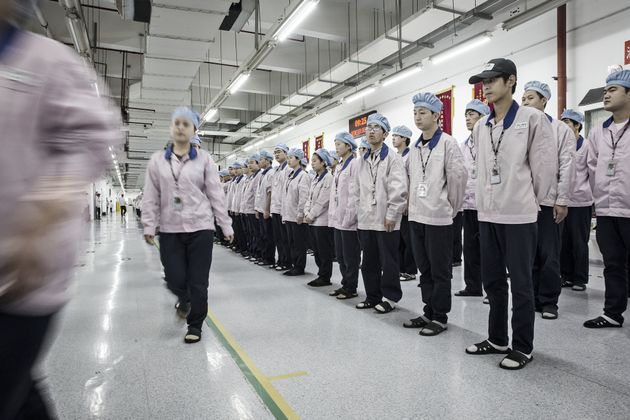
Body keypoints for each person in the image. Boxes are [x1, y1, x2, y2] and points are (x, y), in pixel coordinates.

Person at [0, 2, 121, 416]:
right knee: (18, 390)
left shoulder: (47, 61)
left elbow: (93, 138)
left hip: (23, 267)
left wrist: (41, 219)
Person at [464, 58, 556, 370]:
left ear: (511, 81)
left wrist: (531, 201)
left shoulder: (531, 118)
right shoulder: (482, 125)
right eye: (483, 81)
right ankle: (496, 339)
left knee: (521, 283)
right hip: (488, 214)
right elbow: (479, 169)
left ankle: (522, 346)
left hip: (518, 215)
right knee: (492, 282)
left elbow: (544, 167)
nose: (486, 86)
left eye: (493, 80)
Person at [142, 107, 233, 344]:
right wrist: (149, 225)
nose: (181, 127)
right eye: (177, 123)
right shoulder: (158, 162)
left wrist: (225, 225)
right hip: (170, 229)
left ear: (194, 130)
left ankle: (195, 325)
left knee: (198, 280)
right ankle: (185, 299)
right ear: (171, 128)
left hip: (201, 227)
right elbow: (151, 195)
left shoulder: (205, 160)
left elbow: (216, 194)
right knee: (174, 277)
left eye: (186, 124)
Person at [402, 93, 467, 336]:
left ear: (436, 115)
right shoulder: (416, 147)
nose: (418, 117)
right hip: (417, 217)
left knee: (440, 270)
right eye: (415, 113)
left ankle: (440, 316)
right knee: (424, 269)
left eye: (423, 112)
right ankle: (428, 310)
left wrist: (448, 208)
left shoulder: (448, 144)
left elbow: (458, 181)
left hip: (439, 218)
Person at [522, 80, 576, 320]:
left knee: (549, 255)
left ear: (544, 100)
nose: (525, 102)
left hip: (548, 202)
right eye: (523, 98)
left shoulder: (560, 130)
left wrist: (562, 199)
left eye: (530, 97)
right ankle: (531, 298)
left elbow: (567, 165)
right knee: (527, 255)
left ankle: (548, 301)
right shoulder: (519, 128)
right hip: (523, 203)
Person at [584, 69, 630, 329]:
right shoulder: (599, 132)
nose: (606, 94)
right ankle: (612, 313)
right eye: (605, 90)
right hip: (607, 210)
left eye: (613, 90)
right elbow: (589, 166)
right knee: (612, 264)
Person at [349, 113, 408, 313]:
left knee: (389, 260)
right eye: (368, 127)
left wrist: (392, 213)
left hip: (386, 219)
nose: (371, 131)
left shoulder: (393, 158)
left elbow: (399, 188)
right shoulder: (362, 161)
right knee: (368, 262)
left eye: (376, 128)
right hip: (366, 219)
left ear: (385, 134)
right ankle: (372, 296)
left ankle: (390, 297)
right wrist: (359, 210)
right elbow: (356, 189)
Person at [454, 99, 491, 298]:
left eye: (472, 114)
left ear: (483, 117)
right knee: (469, 248)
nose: (468, 118)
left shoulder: (491, 140)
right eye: (466, 115)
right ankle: (473, 286)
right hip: (468, 204)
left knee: (489, 250)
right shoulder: (463, 145)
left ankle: (490, 289)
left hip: (487, 205)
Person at [560, 109, 593, 292]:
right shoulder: (561, 145)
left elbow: (592, 172)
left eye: (567, 123)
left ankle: (580, 278)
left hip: (581, 201)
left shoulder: (586, 146)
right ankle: (566, 276)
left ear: (577, 125)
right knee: (563, 241)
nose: (564, 126)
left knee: (579, 241)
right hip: (563, 201)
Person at [328, 132, 360, 300]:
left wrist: (349, 216)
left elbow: (354, 193)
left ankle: (351, 287)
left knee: (350, 256)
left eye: (339, 144)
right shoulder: (339, 166)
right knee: (340, 255)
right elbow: (335, 193)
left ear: (348, 146)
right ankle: (344, 284)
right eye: (335, 144)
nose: (337, 147)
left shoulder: (354, 164)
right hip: (338, 219)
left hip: (349, 220)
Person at [391, 125, 417, 282]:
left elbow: (411, 181)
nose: (393, 138)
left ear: (405, 139)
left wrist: (407, 203)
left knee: (408, 240)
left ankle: (410, 270)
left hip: (407, 204)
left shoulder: (410, 156)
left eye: (397, 136)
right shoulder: (395, 157)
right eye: (393, 136)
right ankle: (400, 268)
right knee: (398, 239)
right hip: (395, 205)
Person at [304, 149, 334, 287]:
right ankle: (320, 274)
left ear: (323, 162)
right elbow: (309, 198)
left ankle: (325, 277)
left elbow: (323, 201)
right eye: (311, 161)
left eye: (315, 161)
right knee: (317, 250)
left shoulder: (328, 178)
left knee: (324, 251)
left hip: (322, 221)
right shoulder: (315, 178)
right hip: (312, 220)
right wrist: (306, 212)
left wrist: (311, 215)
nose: (312, 164)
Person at [282, 149, 312, 276]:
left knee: (299, 243)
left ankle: (299, 267)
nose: (288, 160)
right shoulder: (291, 175)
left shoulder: (303, 176)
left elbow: (303, 197)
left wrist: (300, 213)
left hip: (297, 216)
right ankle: (295, 265)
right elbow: (286, 196)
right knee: (292, 242)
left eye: (291, 157)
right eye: (288, 157)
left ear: (299, 159)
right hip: (289, 215)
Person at [271, 144, 292, 271]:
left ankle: (287, 261)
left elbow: (286, 191)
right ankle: (281, 260)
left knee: (285, 238)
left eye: (279, 152)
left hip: (283, 209)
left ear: (286, 153)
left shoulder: (288, 170)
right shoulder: (277, 170)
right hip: (275, 208)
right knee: (278, 237)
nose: (277, 154)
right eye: (275, 153)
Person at [254, 150, 276, 267]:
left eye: (261, 159)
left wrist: (267, 209)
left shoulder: (271, 173)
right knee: (263, 234)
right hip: (261, 208)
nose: (259, 161)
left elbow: (269, 193)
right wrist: (257, 208)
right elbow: (259, 193)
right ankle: (263, 256)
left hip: (266, 210)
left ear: (267, 161)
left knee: (268, 235)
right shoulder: (263, 174)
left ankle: (269, 258)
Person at [242, 154, 262, 263]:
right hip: (248, 209)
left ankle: (258, 253)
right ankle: (253, 251)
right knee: (251, 232)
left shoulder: (259, 176)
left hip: (254, 209)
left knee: (257, 233)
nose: (249, 165)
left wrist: (256, 209)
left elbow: (257, 194)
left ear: (258, 163)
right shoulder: (253, 177)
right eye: (248, 163)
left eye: (251, 163)